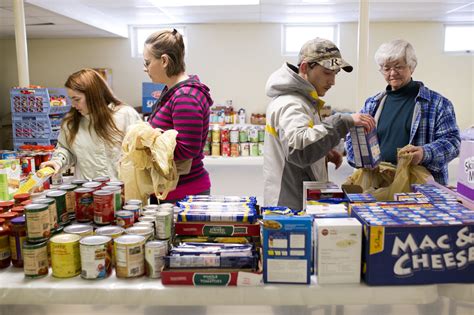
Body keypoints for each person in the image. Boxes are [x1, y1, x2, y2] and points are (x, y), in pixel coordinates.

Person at [264, 37, 375, 210]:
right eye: (327, 73)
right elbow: (299, 150)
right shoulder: (291, 103)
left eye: (335, 74)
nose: (332, 81)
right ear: (304, 67)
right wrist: (343, 121)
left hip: (297, 202)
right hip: (290, 209)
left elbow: (297, 145)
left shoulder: (304, 101)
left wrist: (323, 153)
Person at [345, 39, 460, 185]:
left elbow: (453, 143)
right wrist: (360, 158)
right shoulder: (372, 104)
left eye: (398, 67)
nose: (392, 73)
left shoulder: (437, 104)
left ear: (411, 67)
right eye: (386, 68)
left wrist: (425, 153)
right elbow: (352, 138)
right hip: (378, 184)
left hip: (419, 188)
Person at [143, 29, 213, 203]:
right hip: (171, 190)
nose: (145, 69)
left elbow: (188, 149)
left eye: (147, 62)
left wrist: (145, 144)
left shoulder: (185, 96)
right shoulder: (171, 91)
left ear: (164, 61)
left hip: (183, 193)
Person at [40, 68, 141, 180]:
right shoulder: (71, 123)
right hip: (88, 193)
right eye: (71, 99)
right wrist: (57, 161)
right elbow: (66, 149)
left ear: (93, 96)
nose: (73, 105)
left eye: (77, 99)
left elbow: (142, 151)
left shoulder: (125, 115)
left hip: (122, 191)